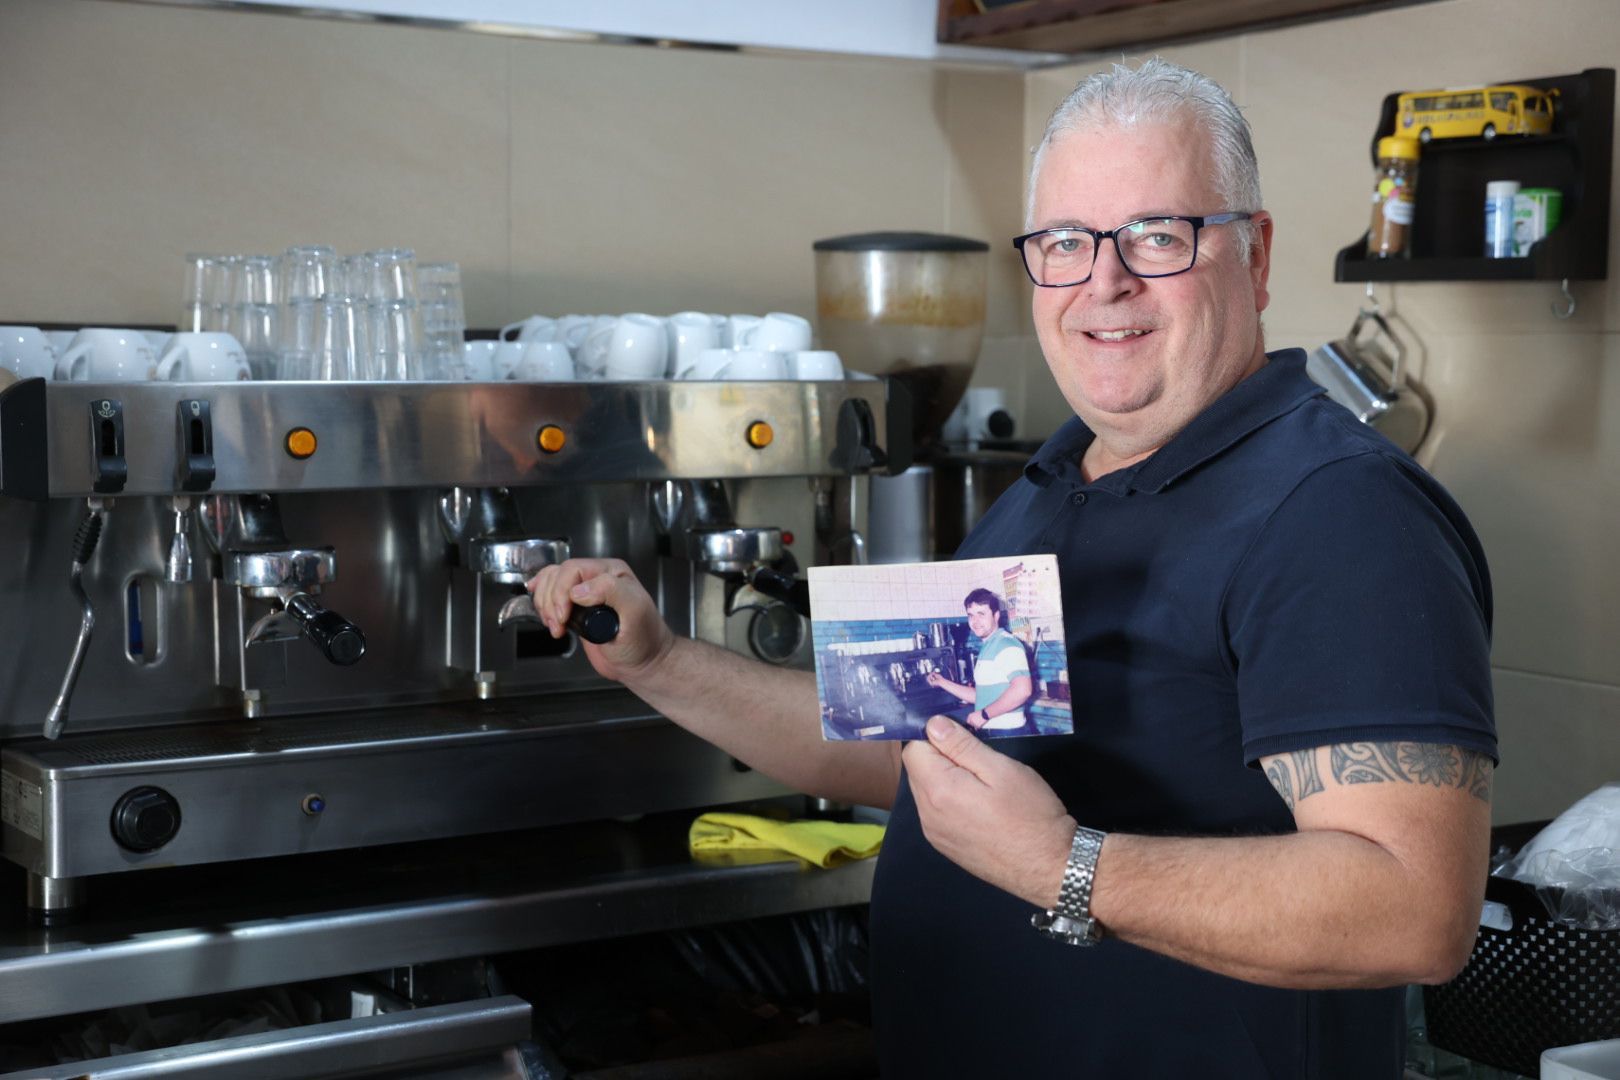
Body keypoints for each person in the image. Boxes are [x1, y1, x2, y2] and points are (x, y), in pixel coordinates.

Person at [528, 57, 1496, 1078]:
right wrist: (661, 663)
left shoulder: (1337, 510)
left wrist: (1059, 866)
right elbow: (913, 751)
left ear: (1253, 256)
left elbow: (1413, 911)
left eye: (1157, 236)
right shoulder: (1047, 482)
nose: (1103, 283)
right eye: (1067, 243)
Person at [924, 588, 1034, 733]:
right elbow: (981, 696)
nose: (975, 621)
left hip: (1007, 730)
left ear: (996, 616)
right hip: (993, 730)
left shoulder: (1007, 645)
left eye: (981, 614)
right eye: (971, 615)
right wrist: (941, 682)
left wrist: (984, 715)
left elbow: (1023, 690)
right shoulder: (989, 646)